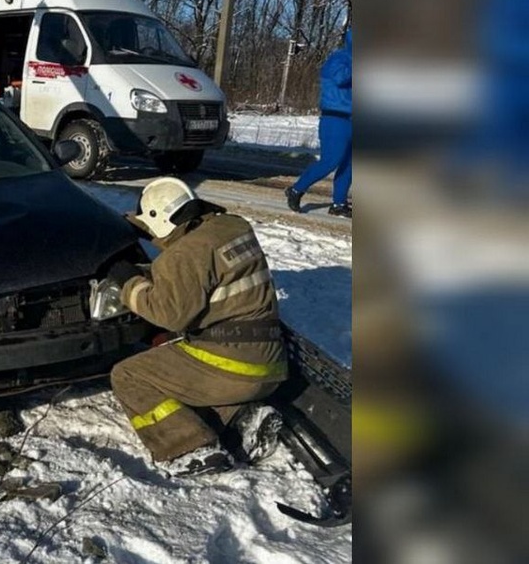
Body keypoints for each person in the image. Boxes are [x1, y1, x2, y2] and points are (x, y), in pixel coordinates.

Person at [100, 177, 287, 477]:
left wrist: (128, 280)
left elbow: (167, 314)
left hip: (233, 366)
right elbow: (203, 272)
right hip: (270, 361)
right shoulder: (233, 226)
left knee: (128, 375)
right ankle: (244, 418)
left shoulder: (186, 253)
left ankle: (191, 449)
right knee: (183, 366)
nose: (153, 238)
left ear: (159, 220)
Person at [286, 29, 352, 217]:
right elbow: (340, 78)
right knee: (330, 161)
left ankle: (339, 204)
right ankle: (296, 189)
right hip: (335, 118)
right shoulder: (338, 58)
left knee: (350, 165)